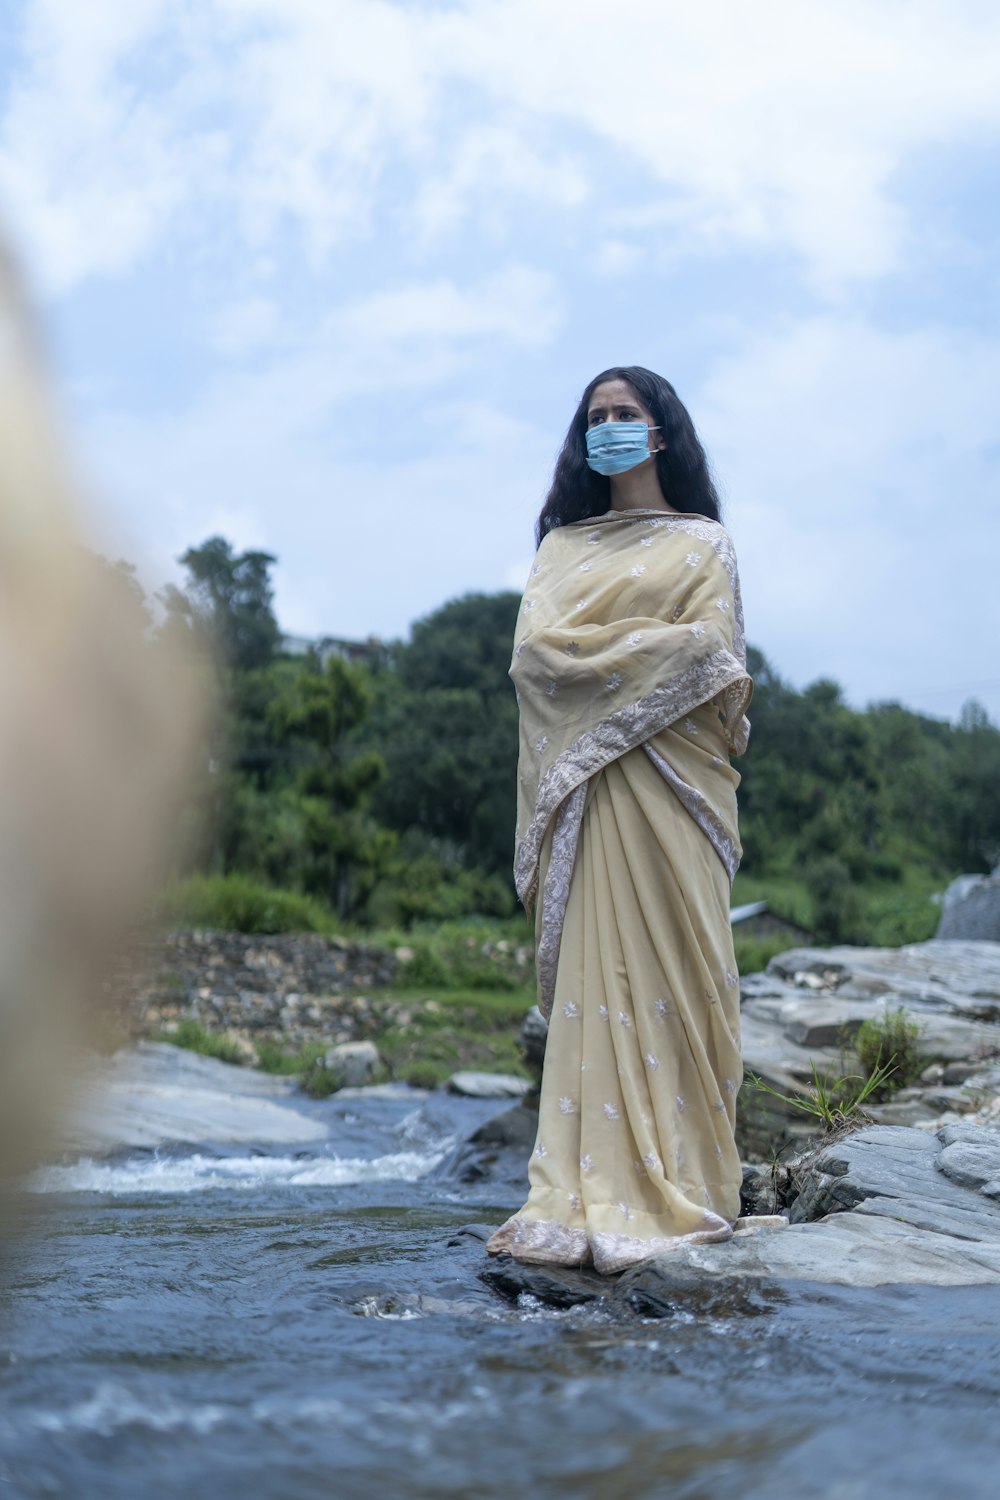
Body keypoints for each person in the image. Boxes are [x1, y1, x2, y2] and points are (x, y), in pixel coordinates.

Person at [486, 366, 752, 1275]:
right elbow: (536, 662)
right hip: (595, 806)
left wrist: (610, 660)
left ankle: (692, 1182)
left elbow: (716, 658)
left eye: (624, 414)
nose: (608, 427)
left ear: (661, 432)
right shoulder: (561, 549)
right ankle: (586, 1186)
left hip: (678, 799)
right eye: (595, 417)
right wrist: (657, 650)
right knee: (603, 984)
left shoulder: (703, 546)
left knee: (688, 977)